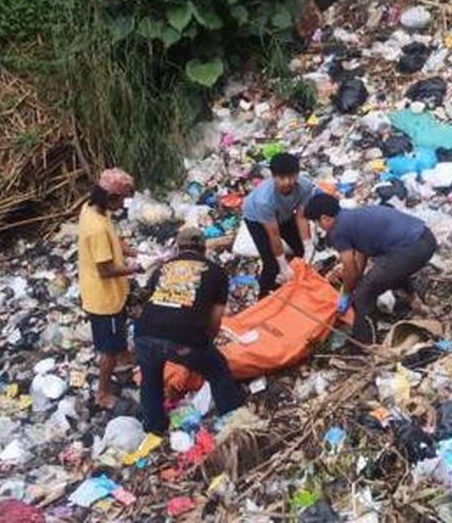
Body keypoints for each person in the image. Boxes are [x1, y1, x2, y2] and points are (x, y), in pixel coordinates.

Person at [135, 227, 246, 435]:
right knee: (217, 369)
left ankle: (154, 429)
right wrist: (205, 345)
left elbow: (152, 301)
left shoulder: (162, 269)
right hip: (182, 337)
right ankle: (234, 421)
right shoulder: (216, 272)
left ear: (177, 248)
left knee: (150, 379)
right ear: (204, 250)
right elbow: (214, 320)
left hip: (145, 332)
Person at [304, 194, 438, 343]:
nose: (320, 227)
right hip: (426, 238)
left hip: (411, 248)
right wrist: (355, 281)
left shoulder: (337, 230)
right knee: (387, 271)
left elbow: (349, 267)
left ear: (324, 218)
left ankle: (366, 343)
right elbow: (361, 255)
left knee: (364, 293)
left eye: (317, 222)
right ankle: (414, 301)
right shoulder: (352, 216)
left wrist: (347, 293)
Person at [78, 168, 143, 410]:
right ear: (109, 197)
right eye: (121, 200)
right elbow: (105, 270)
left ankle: (125, 356)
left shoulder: (92, 209)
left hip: (109, 293)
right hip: (104, 299)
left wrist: (135, 252)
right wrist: (136, 268)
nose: (123, 205)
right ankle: (103, 393)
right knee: (108, 349)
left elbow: (114, 240)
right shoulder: (96, 228)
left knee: (119, 331)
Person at [242, 152, 318, 299]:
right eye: (282, 178)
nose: (287, 182)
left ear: (298, 174)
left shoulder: (305, 186)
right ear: (273, 177)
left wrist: (308, 245)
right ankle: (264, 298)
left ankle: (299, 286)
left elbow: (301, 217)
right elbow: (274, 235)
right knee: (271, 265)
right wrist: (283, 265)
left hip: (285, 214)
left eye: (292, 177)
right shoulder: (264, 199)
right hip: (257, 220)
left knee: (302, 251)